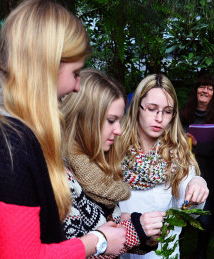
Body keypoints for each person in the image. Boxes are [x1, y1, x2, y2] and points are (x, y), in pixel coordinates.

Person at [0, 0, 126, 258]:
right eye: (76, 72)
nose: (78, 86)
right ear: (48, 65)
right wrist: (97, 242)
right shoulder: (9, 142)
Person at [61, 69, 165, 257]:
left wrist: (144, 236)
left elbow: (109, 235)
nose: (118, 130)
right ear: (84, 119)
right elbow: (70, 252)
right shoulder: (60, 178)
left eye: (119, 120)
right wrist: (134, 231)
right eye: (111, 121)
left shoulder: (100, 167)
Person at [119, 74, 209, 258]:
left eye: (167, 111)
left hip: (161, 253)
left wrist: (197, 185)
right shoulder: (114, 148)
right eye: (152, 109)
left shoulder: (178, 153)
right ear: (137, 107)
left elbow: (188, 213)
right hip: (118, 251)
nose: (159, 118)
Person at [180, 74, 214, 259]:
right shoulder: (182, 114)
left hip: (207, 171)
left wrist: (198, 145)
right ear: (196, 90)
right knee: (179, 208)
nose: (205, 91)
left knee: (205, 214)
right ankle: (173, 246)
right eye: (202, 86)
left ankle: (201, 252)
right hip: (182, 169)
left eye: (210, 88)